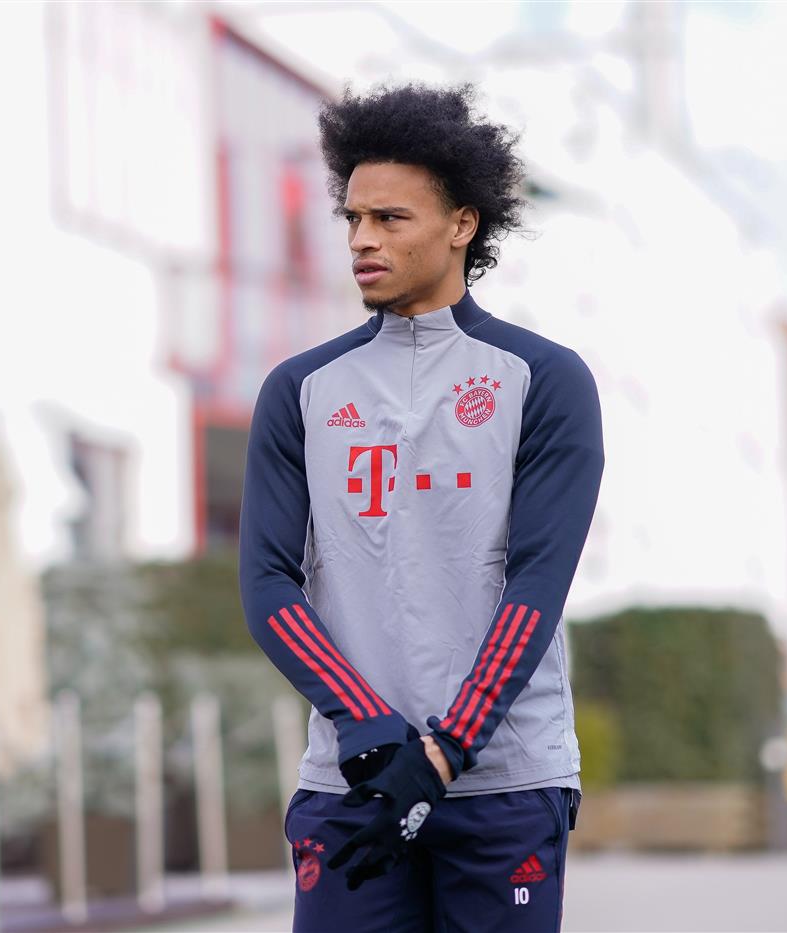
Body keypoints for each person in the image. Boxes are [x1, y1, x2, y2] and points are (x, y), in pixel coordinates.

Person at [239, 83, 604, 932]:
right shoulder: (298, 391)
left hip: (504, 783)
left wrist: (442, 752)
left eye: (392, 219)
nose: (363, 239)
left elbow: (534, 588)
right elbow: (266, 580)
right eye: (353, 218)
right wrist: (364, 725)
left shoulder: (546, 380)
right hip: (353, 784)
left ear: (463, 224)